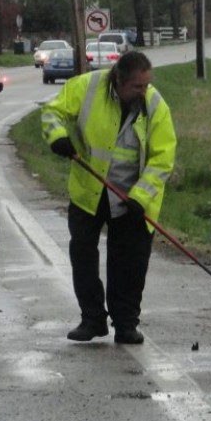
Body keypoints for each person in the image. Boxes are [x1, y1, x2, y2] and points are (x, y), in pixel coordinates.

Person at [41, 51, 176, 344]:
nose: (144, 91)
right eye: (137, 86)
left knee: (129, 261)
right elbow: (52, 111)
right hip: (91, 189)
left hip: (133, 196)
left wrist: (140, 196)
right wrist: (57, 137)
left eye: (146, 84)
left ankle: (126, 323)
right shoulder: (87, 87)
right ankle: (92, 320)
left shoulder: (154, 104)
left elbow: (163, 158)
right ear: (120, 80)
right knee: (83, 254)